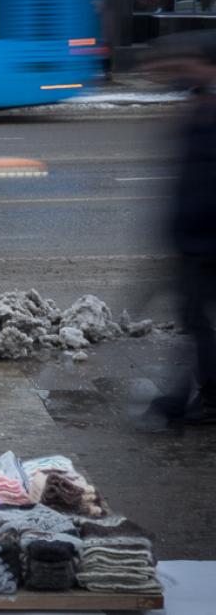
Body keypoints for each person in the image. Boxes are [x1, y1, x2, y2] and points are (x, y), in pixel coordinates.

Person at [136, 38, 216, 431]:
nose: (194, 70)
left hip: (205, 241)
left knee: (195, 322)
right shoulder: (199, 102)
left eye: (201, 64)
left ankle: (182, 402)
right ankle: (187, 400)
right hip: (192, 239)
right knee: (194, 319)